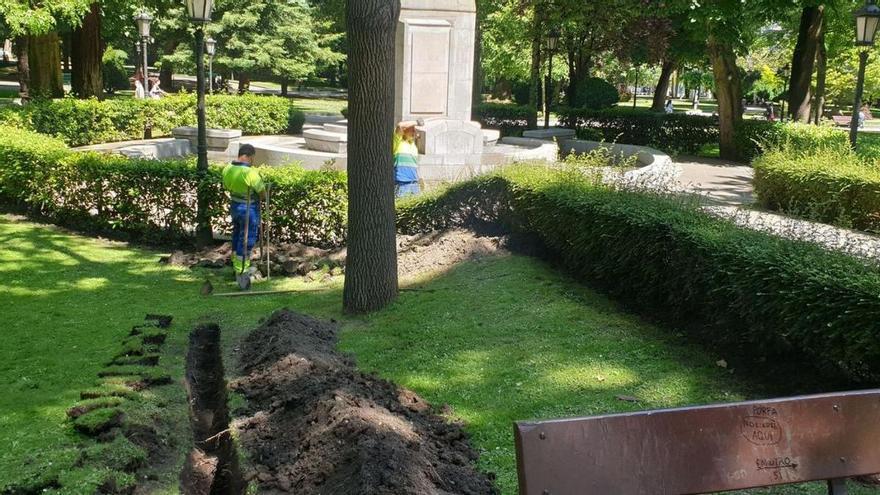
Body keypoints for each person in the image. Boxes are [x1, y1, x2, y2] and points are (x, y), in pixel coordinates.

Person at [222, 144, 266, 290]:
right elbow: (261, 191)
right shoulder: (250, 173)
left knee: (237, 234)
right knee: (248, 239)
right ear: (250, 156)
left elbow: (226, 186)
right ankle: (242, 270)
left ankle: (236, 264)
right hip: (249, 208)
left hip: (235, 206)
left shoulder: (227, 169)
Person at [394, 121, 420, 197]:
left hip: (414, 182)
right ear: (404, 131)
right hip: (401, 182)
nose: (414, 132)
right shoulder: (398, 142)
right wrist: (416, 122)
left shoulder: (413, 145)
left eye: (415, 130)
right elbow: (400, 126)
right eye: (412, 129)